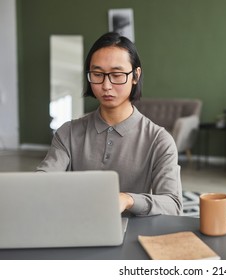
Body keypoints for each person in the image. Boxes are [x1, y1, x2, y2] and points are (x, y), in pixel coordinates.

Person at [36, 32, 183, 216]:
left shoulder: (159, 140)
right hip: (75, 227)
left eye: (117, 74)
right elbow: (42, 181)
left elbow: (172, 204)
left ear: (135, 75)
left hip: (131, 235)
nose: (106, 85)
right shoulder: (68, 132)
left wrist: (128, 200)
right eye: (98, 74)